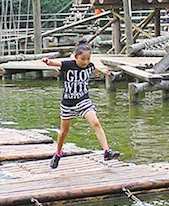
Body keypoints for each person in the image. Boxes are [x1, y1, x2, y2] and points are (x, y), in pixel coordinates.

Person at [42, 41, 120, 169]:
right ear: (76, 57)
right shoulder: (69, 65)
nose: (85, 62)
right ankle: (58, 153)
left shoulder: (90, 65)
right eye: (83, 59)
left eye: (88, 59)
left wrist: (104, 72)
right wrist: (48, 61)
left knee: (95, 123)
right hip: (68, 103)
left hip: (83, 101)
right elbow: (56, 63)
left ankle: (106, 151)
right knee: (63, 132)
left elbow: (94, 68)